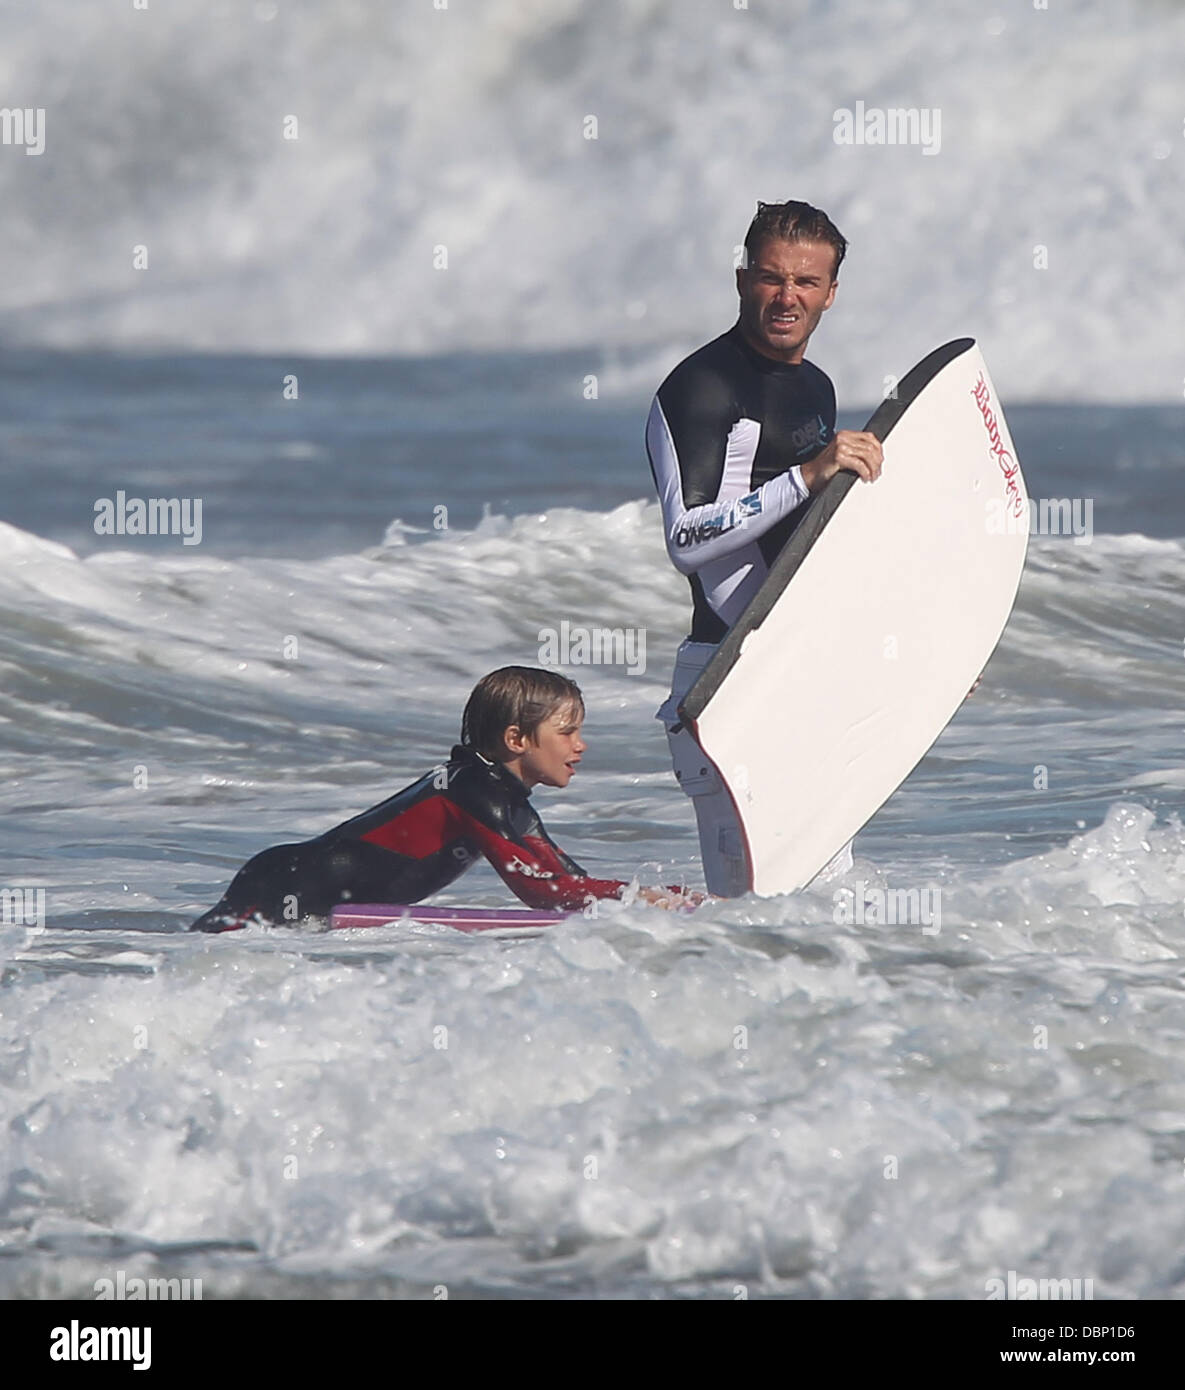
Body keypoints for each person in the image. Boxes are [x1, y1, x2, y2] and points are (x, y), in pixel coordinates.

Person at [646, 199, 884, 897]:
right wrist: (807, 474)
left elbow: (813, 550)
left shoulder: (816, 388)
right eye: (772, 278)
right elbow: (687, 540)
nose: (788, 297)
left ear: (831, 293)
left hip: (802, 673)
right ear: (743, 278)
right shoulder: (699, 388)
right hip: (726, 686)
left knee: (829, 914)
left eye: (807, 283)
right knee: (748, 923)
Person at [190, 667, 689, 931]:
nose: (580, 746)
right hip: (287, 886)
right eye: (567, 732)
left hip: (289, 880)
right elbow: (543, 892)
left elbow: (560, 876)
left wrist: (648, 900)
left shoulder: (497, 794)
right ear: (518, 739)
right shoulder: (476, 793)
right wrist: (640, 900)